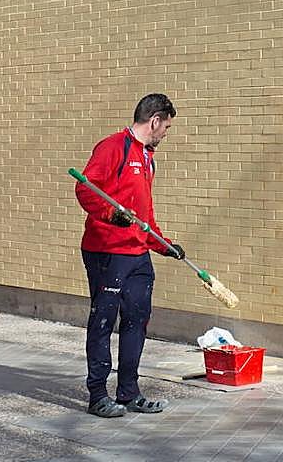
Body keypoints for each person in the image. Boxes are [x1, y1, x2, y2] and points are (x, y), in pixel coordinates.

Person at [75, 93, 184, 418]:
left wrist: (163, 245)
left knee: (137, 319)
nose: (166, 133)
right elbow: (86, 188)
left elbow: (144, 215)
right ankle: (97, 395)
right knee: (104, 320)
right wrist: (110, 214)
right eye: (166, 126)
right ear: (154, 121)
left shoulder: (147, 158)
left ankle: (128, 392)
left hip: (138, 254)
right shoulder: (113, 147)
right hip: (107, 251)